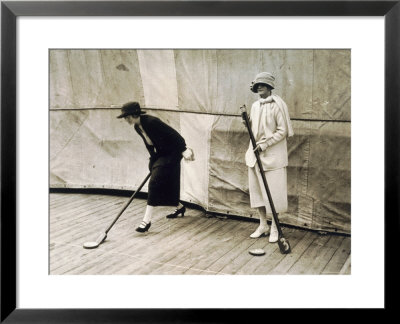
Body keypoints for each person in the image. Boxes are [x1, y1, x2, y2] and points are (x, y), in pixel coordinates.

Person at [117, 102, 194, 233]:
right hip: (162, 153)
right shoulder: (137, 127)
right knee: (165, 180)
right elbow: (149, 145)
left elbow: (175, 135)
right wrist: (152, 160)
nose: (126, 120)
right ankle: (180, 207)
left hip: (174, 152)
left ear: (134, 114)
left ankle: (146, 221)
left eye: (127, 117)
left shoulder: (152, 122)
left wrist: (184, 149)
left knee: (154, 182)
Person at [244, 72, 294, 242]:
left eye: (263, 85)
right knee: (257, 192)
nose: (260, 88)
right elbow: (255, 129)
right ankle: (263, 224)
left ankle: (275, 227)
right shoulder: (255, 106)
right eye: (257, 85)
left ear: (270, 87)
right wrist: (247, 123)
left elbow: (283, 131)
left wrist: (265, 144)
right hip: (255, 155)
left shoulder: (278, 105)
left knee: (274, 194)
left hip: (273, 157)